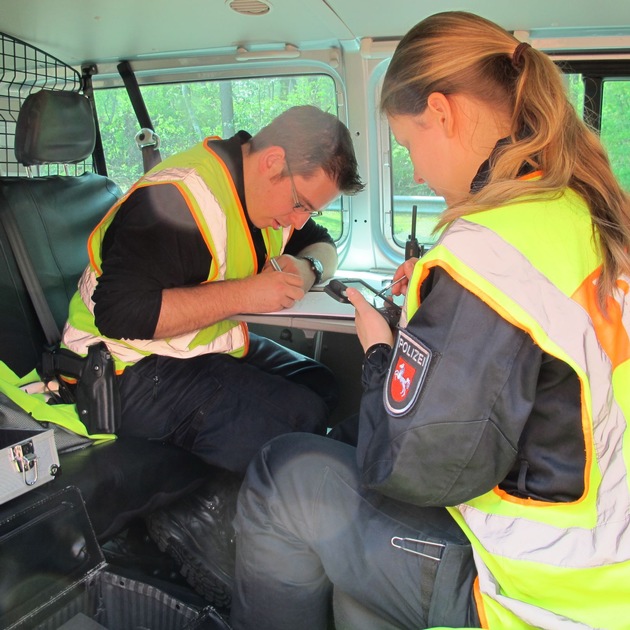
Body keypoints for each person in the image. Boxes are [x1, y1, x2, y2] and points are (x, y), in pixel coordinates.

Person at [229, 11, 630, 630]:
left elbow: (406, 467)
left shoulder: (489, 251)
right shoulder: (582, 210)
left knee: (282, 476)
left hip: (539, 597)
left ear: (442, 113)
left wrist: (378, 355)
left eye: (410, 145)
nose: (415, 171)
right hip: (606, 564)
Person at [62, 105, 364, 474]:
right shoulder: (178, 199)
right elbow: (120, 313)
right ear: (272, 161)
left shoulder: (266, 195)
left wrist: (308, 268)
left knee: (321, 384)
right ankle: (198, 521)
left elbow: (322, 244)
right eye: (300, 205)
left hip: (196, 343)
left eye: (310, 212)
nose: (299, 220)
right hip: (121, 367)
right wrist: (248, 294)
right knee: (298, 421)